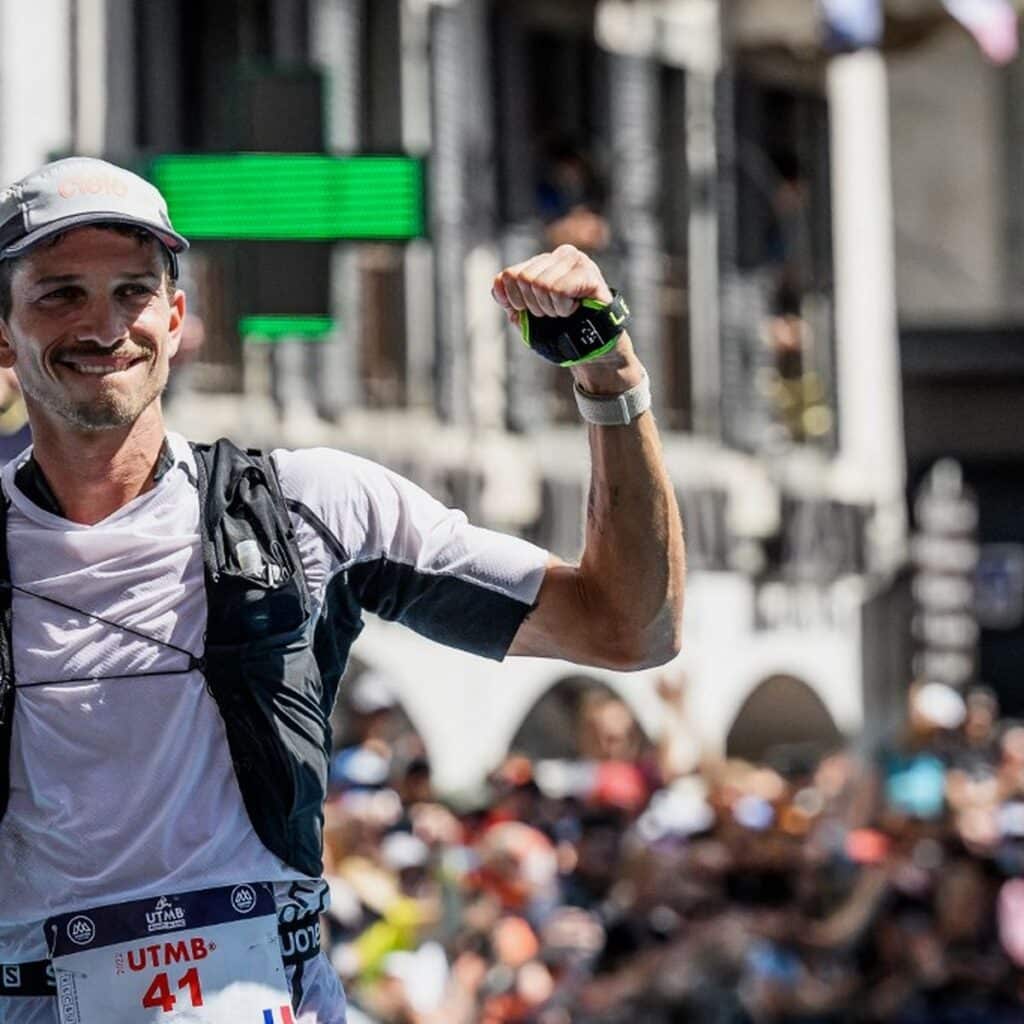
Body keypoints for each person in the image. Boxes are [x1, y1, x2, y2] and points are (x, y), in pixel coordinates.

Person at [0, 156, 684, 1023]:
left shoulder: (307, 508)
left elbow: (628, 629)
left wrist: (610, 376)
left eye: (132, 293)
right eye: (60, 294)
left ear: (175, 320)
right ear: (3, 333)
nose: (104, 326)